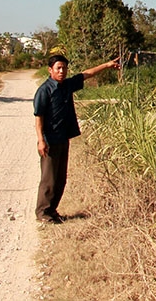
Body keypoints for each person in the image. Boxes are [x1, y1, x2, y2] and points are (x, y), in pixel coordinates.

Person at [34, 54, 119, 223]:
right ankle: (42, 213)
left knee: (61, 179)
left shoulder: (66, 85)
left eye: (64, 68)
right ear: (50, 70)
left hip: (63, 138)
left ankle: (52, 211)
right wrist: (41, 140)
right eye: (58, 68)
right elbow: (38, 117)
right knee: (49, 179)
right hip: (50, 140)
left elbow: (87, 74)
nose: (62, 71)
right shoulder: (44, 90)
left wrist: (107, 65)